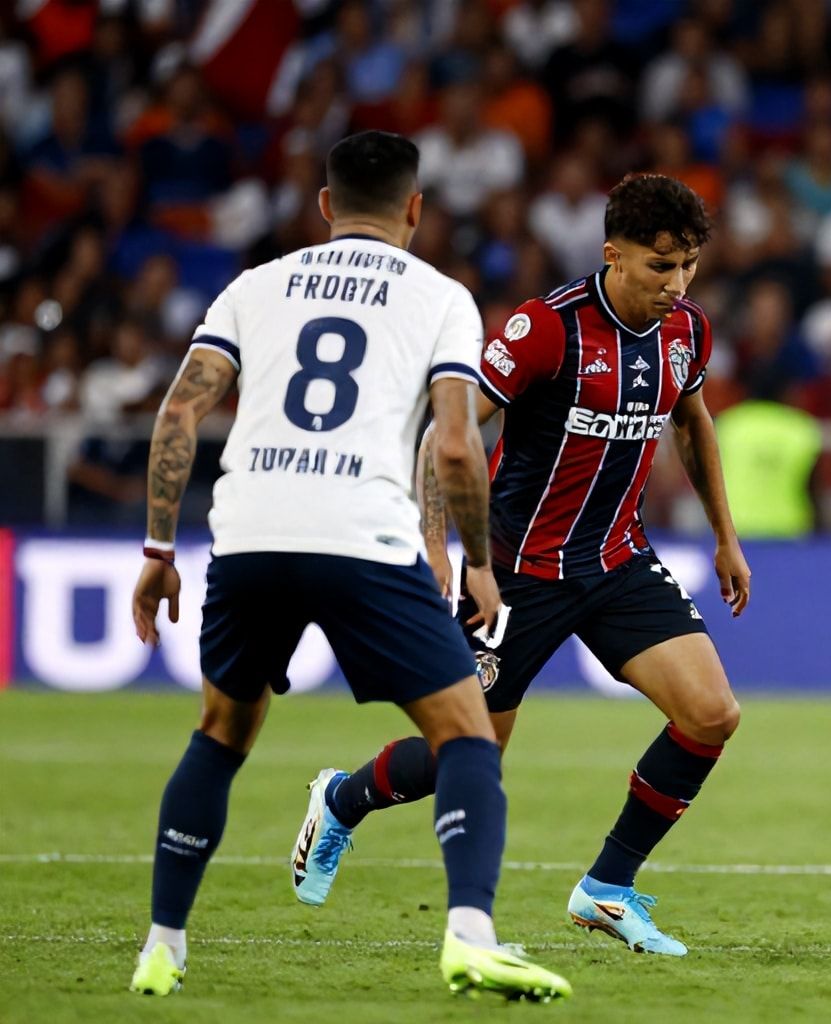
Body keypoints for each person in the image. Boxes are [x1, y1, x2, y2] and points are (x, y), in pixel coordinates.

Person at [127, 130, 569, 1000]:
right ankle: (471, 935)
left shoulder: (254, 287)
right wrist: (478, 562)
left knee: (219, 734)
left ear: (324, 206)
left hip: (251, 531)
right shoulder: (442, 298)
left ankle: (161, 946)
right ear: (415, 208)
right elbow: (453, 444)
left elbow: (181, 411)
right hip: (362, 535)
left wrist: (156, 549)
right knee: (467, 733)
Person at [289, 174, 748, 958]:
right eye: (658, 266)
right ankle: (340, 797)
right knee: (468, 753)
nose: (676, 285)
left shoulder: (687, 334)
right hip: (517, 571)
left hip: (617, 559)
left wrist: (724, 536)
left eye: (688, 266)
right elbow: (446, 432)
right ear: (614, 255)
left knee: (712, 713)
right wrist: (438, 547)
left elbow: (693, 422)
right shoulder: (546, 329)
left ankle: (605, 889)